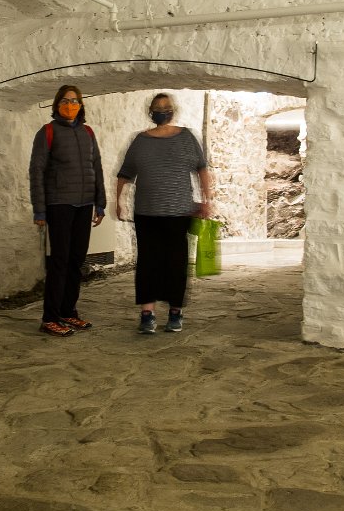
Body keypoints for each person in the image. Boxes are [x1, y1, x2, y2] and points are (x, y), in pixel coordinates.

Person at [115, 93, 213, 334]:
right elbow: (125, 174)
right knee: (148, 262)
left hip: (178, 213)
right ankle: (147, 314)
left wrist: (206, 200)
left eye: (165, 107)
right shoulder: (140, 141)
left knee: (176, 263)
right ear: (151, 112)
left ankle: (175, 312)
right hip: (146, 213)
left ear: (172, 110)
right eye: (158, 107)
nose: (162, 110)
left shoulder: (186, 138)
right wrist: (118, 201)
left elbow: (202, 169)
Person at [29, 85, 106, 337]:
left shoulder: (88, 132)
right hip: (59, 204)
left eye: (74, 101)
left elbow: (97, 167)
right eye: (65, 101)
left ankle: (68, 311)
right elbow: (36, 171)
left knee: (76, 261)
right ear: (56, 105)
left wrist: (100, 203)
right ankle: (50, 318)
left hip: (85, 204)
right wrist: (40, 210)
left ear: (81, 105)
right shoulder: (48, 132)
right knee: (59, 262)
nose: (70, 105)